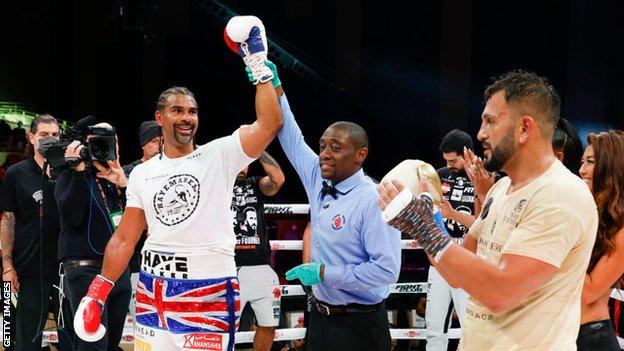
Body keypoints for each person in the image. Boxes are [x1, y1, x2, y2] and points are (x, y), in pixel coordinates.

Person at [71, 15, 282, 351]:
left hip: (208, 290)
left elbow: (269, 124)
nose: (187, 118)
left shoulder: (220, 155)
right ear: (160, 117)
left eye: (193, 111)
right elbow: (125, 237)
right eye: (178, 111)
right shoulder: (142, 173)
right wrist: (99, 290)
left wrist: (258, 64)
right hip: (153, 290)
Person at [377, 71, 598, 350]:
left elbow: (500, 291)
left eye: (490, 121)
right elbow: (455, 272)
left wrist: (424, 228)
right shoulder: (500, 190)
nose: (480, 134)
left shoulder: (561, 194)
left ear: (525, 128)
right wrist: (427, 216)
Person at [269, 60, 401, 350]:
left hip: (361, 326)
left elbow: (386, 271)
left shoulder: (374, 199)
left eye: (336, 148)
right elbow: (290, 135)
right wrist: (273, 85)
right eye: (323, 146)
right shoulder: (318, 176)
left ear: (360, 155)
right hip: (320, 320)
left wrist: (324, 274)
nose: (325, 154)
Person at [55, 122, 132, 351]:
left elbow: (140, 225)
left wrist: (125, 186)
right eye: (96, 142)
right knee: (92, 346)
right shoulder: (67, 174)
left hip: (119, 272)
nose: (104, 147)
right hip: (84, 272)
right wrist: (78, 173)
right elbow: (71, 217)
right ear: (84, 145)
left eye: (111, 142)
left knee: (111, 344)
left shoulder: (120, 179)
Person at [0, 114, 74, 351]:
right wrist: (7, 266)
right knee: (27, 342)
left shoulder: (71, 172)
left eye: (55, 134)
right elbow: (8, 220)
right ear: (32, 138)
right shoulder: (16, 173)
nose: (50, 139)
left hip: (67, 272)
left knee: (71, 341)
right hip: (30, 270)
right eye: (43, 135)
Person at [426, 129, 475, 351]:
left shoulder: (485, 177)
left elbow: (484, 222)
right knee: (434, 326)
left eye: (453, 160)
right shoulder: (440, 175)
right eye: (446, 160)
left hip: (469, 257)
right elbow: (431, 214)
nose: (449, 165)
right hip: (440, 253)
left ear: (467, 154)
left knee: (470, 326)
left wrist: (453, 214)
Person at [232, 152, 285, 351]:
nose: (242, 168)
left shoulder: (254, 184)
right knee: (223, 328)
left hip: (261, 267)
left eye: (246, 163)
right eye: (238, 162)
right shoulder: (216, 184)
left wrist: (258, 149)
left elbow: (278, 179)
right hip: (229, 267)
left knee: (268, 326)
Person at [577, 130, 624, 350]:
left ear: (609, 167)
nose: (581, 169)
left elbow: (589, 292)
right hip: (562, 333)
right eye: (582, 161)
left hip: (592, 338)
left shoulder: (621, 228)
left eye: (590, 162)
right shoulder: (586, 212)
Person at [121, 120, 162, 322]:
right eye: (155, 141)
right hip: (135, 262)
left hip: (166, 263)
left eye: (163, 141)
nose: (160, 146)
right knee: (144, 322)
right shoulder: (128, 173)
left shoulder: (172, 170)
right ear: (144, 144)